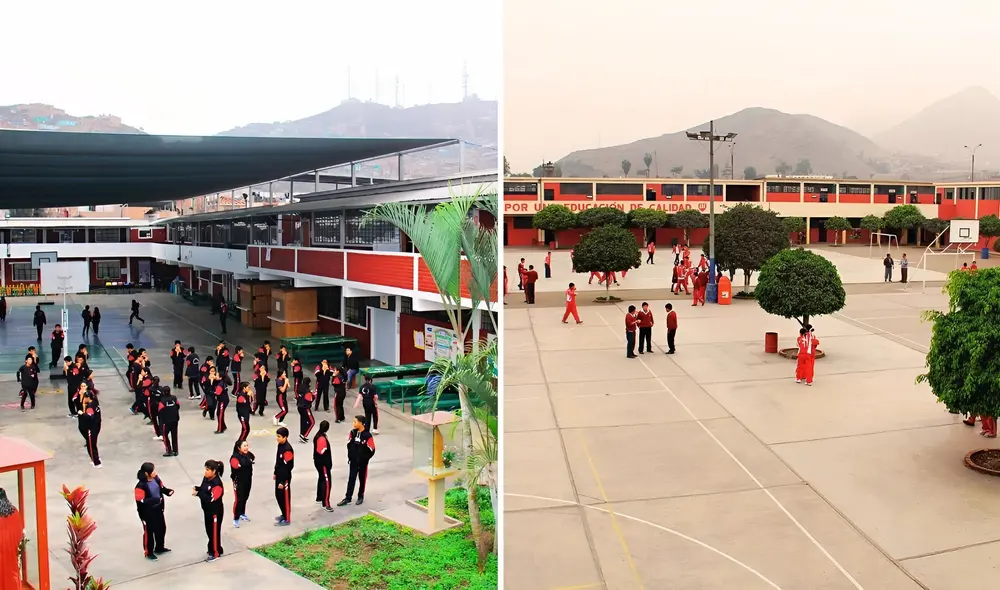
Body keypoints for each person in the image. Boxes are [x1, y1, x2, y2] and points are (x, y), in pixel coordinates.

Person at [134, 462, 174, 560]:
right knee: (149, 532)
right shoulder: (140, 486)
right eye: (152, 471)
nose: (155, 473)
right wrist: (154, 500)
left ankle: (159, 547)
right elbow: (141, 500)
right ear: (147, 473)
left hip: (158, 509)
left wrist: (168, 491)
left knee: (161, 528)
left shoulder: (156, 478)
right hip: (147, 513)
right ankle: (149, 552)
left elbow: (161, 488)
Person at [338, 415, 376, 507]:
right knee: (351, 479)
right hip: (353, 461)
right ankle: (348, 498)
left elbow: (372, 449)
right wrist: (351, 456)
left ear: (361, 423)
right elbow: (348, 444)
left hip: (363, 463)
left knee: (362, 479)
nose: (353, 423)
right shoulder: (352, 433)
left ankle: (360, 496)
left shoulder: (367, 435)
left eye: (355, 422)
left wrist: (364, 458)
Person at [192, 460, 225, 562]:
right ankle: (217, 547)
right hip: (206, 510)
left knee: (214, 532)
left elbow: (211, 498)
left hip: (215, 512)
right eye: (205, 469)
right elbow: (204, 489)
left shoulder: (217, 485)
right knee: (209, 531)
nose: (205, 472)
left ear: (214, 471)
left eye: (207, 470)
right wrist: (198, 488)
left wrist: (198, 494)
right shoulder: (206, 479)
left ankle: (215, 553)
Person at [229, 439, 255, 528]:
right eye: (244, 446)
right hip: (239, 481)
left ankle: (242, 513)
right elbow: (238, 466)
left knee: (245, 497)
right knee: (239, 499)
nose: (246, 447)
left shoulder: (247, 455)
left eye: (247, 445)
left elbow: (252, 458)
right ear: (239, 448)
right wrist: (246, 461)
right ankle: (235, 518)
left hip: (248, 479)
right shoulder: (234, 458)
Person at [76, 384, 102, 468]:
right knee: (93, 443)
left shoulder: (90, 407)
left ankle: (96, 462)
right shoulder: (95, 403)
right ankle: (96, 459)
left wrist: (82, 414)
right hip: (97, 425)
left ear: (88, 398)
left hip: (92, 428)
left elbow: (89, 417)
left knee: (91, 445)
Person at [274, 427, 295, 526]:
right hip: (279, 475)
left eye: (279, 436)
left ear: (285, 437)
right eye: (277, 436)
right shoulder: (280, 445)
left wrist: (283, 481)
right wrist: (275, 472)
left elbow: (288, 467)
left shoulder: (287, 450)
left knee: (284, 498)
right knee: (278, 496)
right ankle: (283, 514)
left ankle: (287, 519)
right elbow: (278, 461)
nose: (277, 438)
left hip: (284, 478)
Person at [313, 420, 334, 512]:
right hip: (323, 464)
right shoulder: (321, 439)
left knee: (321, 478)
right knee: (327, 482)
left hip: (319, 463)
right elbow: (321, 451)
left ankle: (319, 497)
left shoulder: (319, 435)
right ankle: (326, 503)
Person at [158, 387, 180, 457]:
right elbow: (178, 405)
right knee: (174, 435)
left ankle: (169, 450)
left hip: (166, 421)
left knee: (165, 435)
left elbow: (160, 410)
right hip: (175, 419)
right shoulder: (174, 398)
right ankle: (175, 451)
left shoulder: (162, 401)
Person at [297, 377, 316, 443]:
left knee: (303, 421)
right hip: (305, 407)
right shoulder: (307, 390)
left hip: (299, 406)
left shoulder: (300, 387)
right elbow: (309, 400)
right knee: (312, 422)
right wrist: (313, 396)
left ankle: (302, 433)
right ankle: (304, 435)